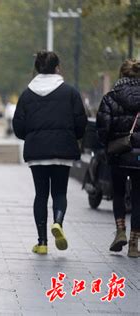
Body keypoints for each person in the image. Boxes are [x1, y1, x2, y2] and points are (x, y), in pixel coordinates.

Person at [13, 51, 87, 254]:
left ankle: (42, 242)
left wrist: (31, 137)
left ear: (37, 68)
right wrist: (73, 137)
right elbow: (81, 122)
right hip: (63, 149)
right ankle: (58, 222)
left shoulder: (27, 94)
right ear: (57, 68)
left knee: (41, 194)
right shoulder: (70, 92)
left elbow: (18, 126)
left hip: (37, 151)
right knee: (60, 192)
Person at [96, 59, 140, 258]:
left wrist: (106, 146)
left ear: (122, 75)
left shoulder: (110, 98)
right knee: (139, 198)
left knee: (119, 193)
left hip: (118, 153)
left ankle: (120, 230)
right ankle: (133, 244)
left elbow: (102, 128)